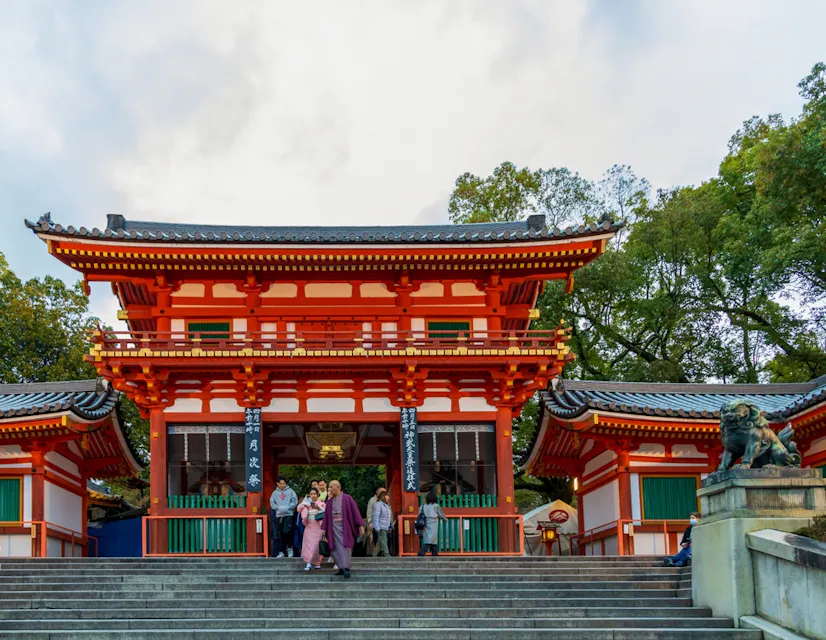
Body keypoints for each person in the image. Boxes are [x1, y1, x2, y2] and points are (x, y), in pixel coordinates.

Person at [321, 480, 365, 578]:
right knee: (334, 549)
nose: (330, 489)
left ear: (338, 487)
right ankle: (341, 568)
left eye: (332, 487)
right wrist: (324, 529)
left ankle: (346, 568)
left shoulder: (347, 498)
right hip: (333, 529)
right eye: (330, 487)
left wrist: (360, 525)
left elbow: (355, 511)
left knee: (346, 548)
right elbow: (326, 517)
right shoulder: (329, 502)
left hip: (345, 528)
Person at [269, 476, 298, 558]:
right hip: (279, 515)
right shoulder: (274, 493)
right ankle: (281, 551)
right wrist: (278, 508)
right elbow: (272, 503)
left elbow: (294, 501)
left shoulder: (291, 491)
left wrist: (288, 507)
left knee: (287, 532)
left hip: (288, 514)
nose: (282, 485)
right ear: (277, 484)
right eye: (280, 484)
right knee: (279, 533)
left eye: (284, 483)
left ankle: (289, 548)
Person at [298, 487, 326, 571]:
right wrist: (304, 504)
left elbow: (326, 512)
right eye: (311, 494)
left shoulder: (322, 503)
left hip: (318, 526)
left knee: (317, 545)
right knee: (309, 545)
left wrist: (319, 508)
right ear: (309, 495)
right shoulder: (306, 503)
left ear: (318, 494)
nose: (313, 495)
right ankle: (308, 562)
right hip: (309, 526)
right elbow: (299, 509)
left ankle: (318, 562)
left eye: (314, 494)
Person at [418, 490, 448, 556]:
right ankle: (422, 552)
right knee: (430, 539)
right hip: (433, 522)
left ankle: (434, 552)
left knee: (430, 538)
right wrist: (445, 519)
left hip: (425, 523)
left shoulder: (423, 506)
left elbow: (419, 514)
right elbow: (441, 514)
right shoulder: (436, 506)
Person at [365, 486, 386, 555]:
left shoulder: (384, 501)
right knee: (373, 539)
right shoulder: (372, 500)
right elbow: (369, 512)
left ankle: (381, 552)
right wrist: (370, 522)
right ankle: (374, 553)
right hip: (374, 523)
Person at [372, 490, 392, 557]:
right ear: (383, 496)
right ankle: (387, 554)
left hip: (385, 526)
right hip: (381, 526)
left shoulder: (386, 505)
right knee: (384, 540)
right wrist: (376, 527)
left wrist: (390, 526)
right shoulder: (378, 505)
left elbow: (389, 517)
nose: (388, 497)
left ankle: (374, 554)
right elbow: (376, 516)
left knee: (380, 542)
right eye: (387, 496)